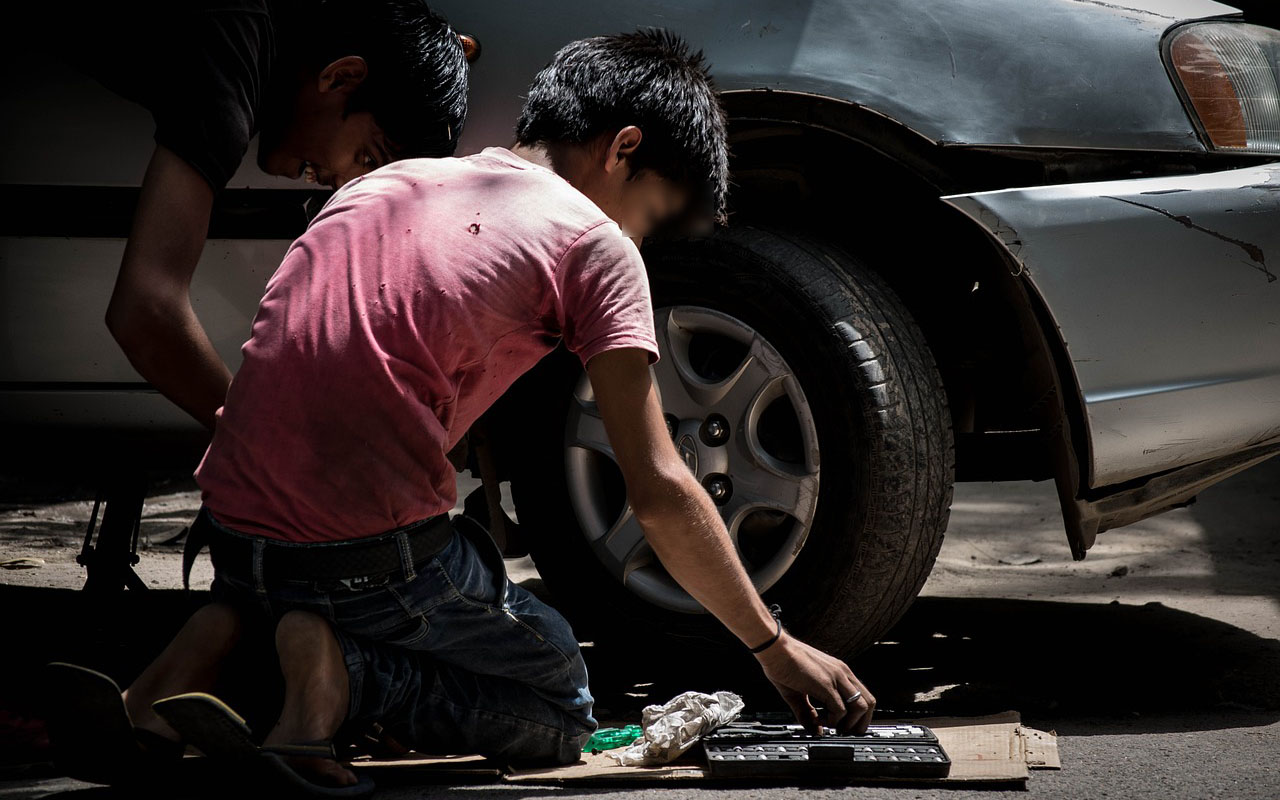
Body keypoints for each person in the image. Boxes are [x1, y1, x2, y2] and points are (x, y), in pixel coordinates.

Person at [67, 28, 876, 792]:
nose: (643, 234)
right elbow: (659, 490)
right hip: (360, 556)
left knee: (321, 557)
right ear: (624, 147)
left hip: (235, 533)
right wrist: (774, 648)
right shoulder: (595, 244)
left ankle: (197, 659)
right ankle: (341, 678)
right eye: (657, 213)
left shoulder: (387, 181)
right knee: (559, 698)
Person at [39, 0, 470, 430]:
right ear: (341, 77)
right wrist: (268, 443)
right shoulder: (232, 55)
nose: (343, 185)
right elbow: (147, 309)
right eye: (366, 157)